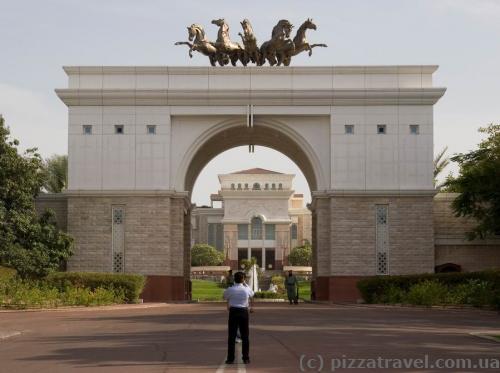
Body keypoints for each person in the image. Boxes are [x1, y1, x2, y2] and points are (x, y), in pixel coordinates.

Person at [223, 271, 254, 364]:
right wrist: (246, 284)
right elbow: (252, 294)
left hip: (233, 312)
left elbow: (225, 297)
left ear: (234, 279)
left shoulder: (230, 289)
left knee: (231, 336)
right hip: (243, 312)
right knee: (245, 336)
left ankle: (230, 359)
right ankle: (246, 358)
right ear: (243, 279)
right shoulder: (246, 289)